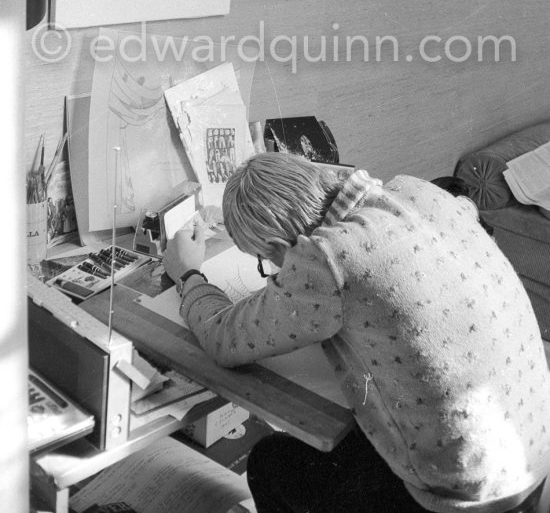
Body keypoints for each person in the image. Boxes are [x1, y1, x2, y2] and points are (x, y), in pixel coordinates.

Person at [163, 153, 550, 512]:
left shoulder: (327, 258)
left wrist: (188, 274)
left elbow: (223, 337)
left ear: (282, 247)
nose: (274, 272)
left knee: (272, 463)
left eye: (268, 262)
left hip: (470, 494)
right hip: (531, 453)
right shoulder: (416, 190)